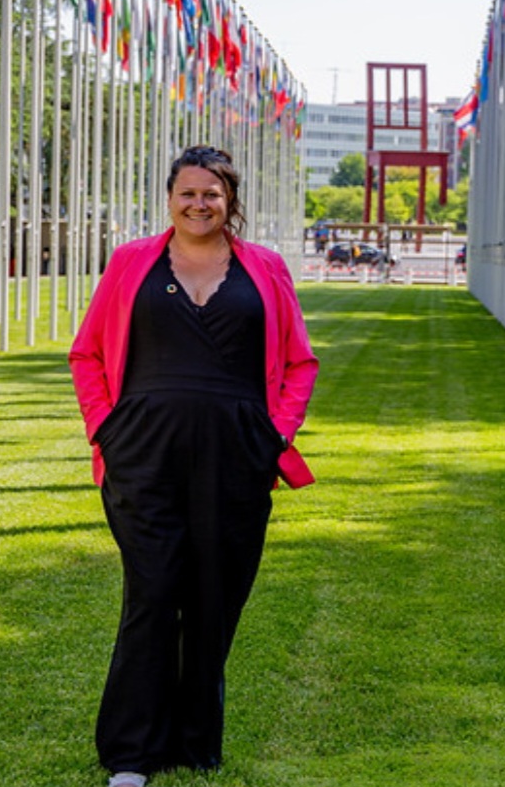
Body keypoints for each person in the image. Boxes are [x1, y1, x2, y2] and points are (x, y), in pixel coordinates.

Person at [68, 145, 319, 787]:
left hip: (236, 459)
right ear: (170, 197)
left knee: (214, 599)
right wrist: (106, 429)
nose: (199, 204)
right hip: (142, 455)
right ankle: (131, 754)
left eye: (212, 193)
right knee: (152, 594)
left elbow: (299, 364)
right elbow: (87, 354)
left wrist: (273, 436)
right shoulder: (131, 264)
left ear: (230, 199)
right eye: (188, 193)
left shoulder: (263, 268)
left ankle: (194, 741)